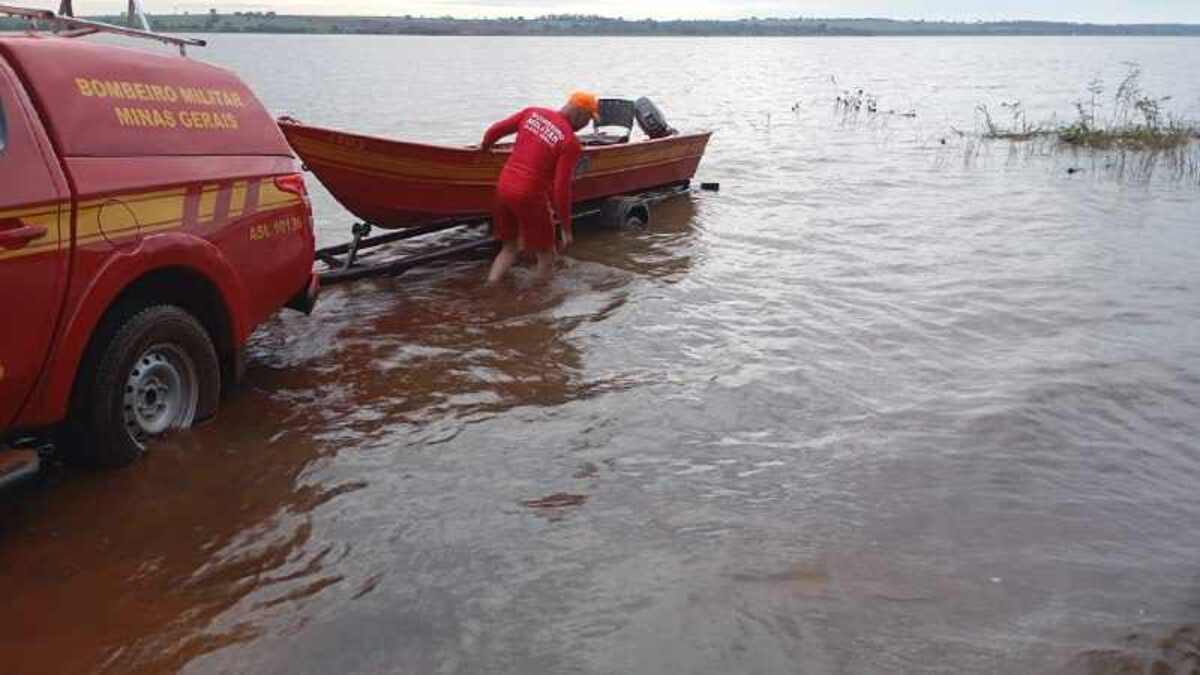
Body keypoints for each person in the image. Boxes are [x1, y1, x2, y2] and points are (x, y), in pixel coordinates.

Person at [479, 91, 599, 284]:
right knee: (547, 256)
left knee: (509, 247)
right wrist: (566, 228)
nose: (586, 125)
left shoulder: (532, 112)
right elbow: (561, 188)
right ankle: (536, 303)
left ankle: (490, 287)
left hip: (503, 187)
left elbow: (496, 130)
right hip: (529, 194)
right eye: (588, 119)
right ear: (581, 115)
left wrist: (485, 147)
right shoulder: (570, 142)